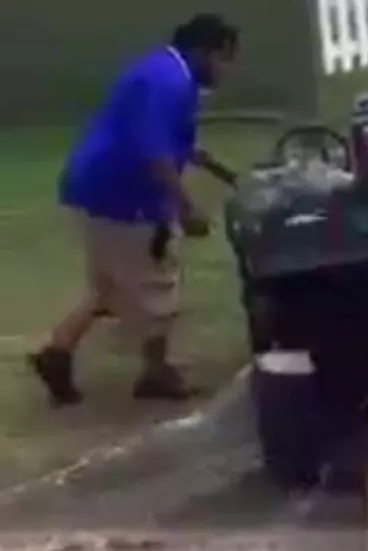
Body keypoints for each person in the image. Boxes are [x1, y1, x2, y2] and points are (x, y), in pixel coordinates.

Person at [28, 14, 240, 407]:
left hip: (89, 186)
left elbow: (173, 140)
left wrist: (223, 172)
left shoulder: (158, 69)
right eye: (226, 58)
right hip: (125, 197)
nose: (228, 70)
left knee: (109, 283)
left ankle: (58, 351)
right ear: (206, 51)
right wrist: (185, 207)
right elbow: (155, 153)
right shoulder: (171, 83)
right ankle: (156, 374)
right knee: (159, 279)